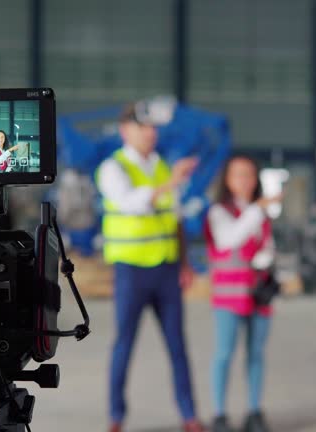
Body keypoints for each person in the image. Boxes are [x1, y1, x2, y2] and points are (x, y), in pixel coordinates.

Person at [96, 102, 204, 432]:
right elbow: (133, 204)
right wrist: (173, 182)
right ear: (126, 130)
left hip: (167, 270)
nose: (151, 133)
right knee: (124, 344)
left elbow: (175, 220)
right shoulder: (113, 169)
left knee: (177, 345)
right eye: (144, 127)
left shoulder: (160, 168)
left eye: (154, 128)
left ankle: (189, 415)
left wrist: (184, 263)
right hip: (131, 271)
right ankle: (116, 417)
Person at [204, 156, 281, 432]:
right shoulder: (219, 212)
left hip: (258, 296)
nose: (245, 181)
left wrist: (266, 257)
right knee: (224, 353)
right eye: (238, 175)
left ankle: (254, 411)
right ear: (227, 179)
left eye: (249, 175)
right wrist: (258, 211)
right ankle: (220, 415)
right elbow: (230, 239)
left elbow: (267, 245)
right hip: (228, 297)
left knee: (256, 354)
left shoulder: (260, 214)